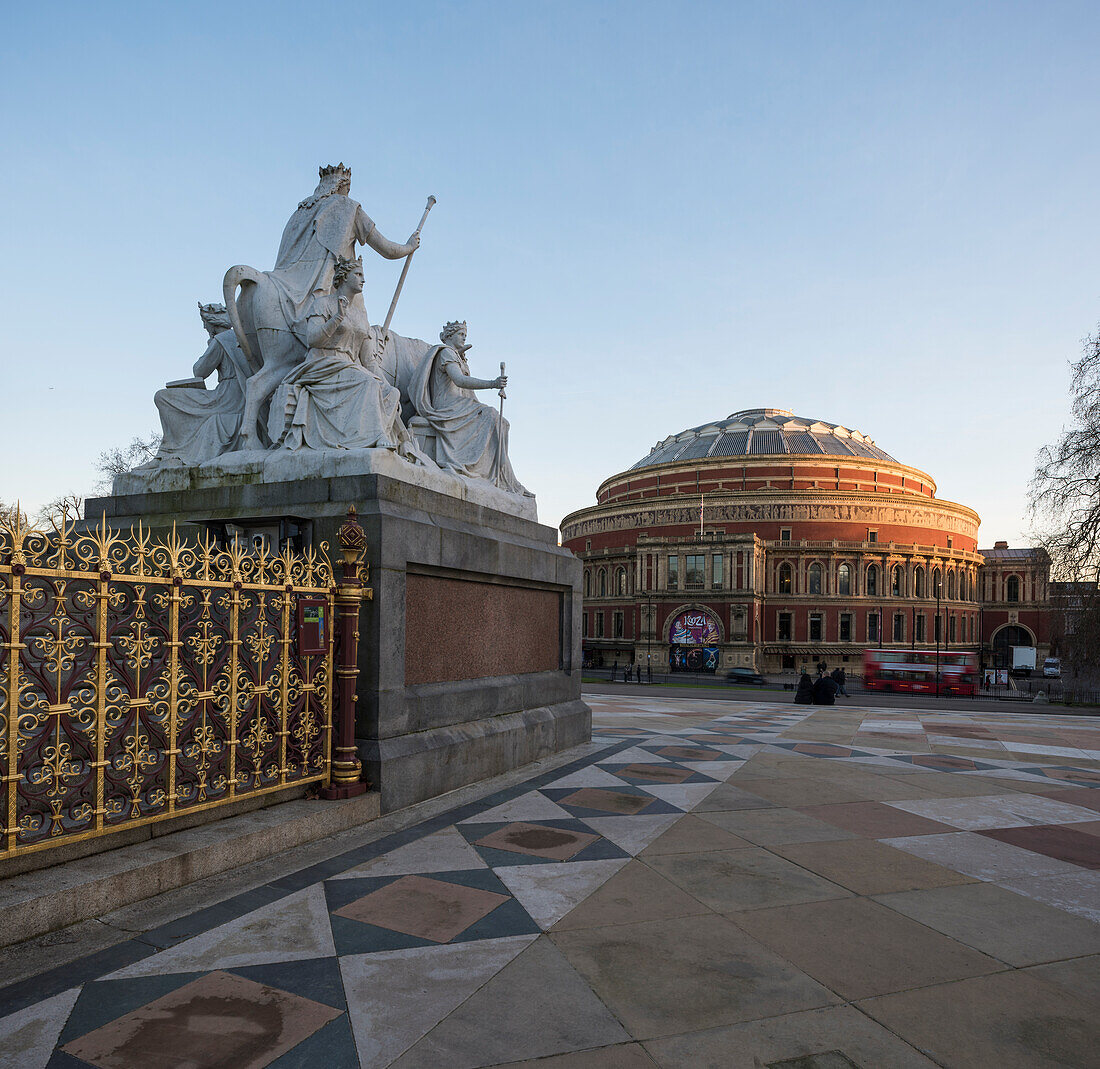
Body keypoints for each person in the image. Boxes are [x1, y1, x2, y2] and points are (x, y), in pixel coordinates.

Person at [268, 257, 421, 456]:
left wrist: (385, 383)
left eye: (363, 276)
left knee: (391, 392)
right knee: (368, 384)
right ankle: (375, 437)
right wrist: (337, 318)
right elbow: (313, 340)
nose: (363, 280)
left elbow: (368, 361)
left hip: (349, 366)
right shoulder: (323, 304)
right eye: (358, 275)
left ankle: (366, 436)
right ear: (344, 277)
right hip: (322, 363)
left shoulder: (361, 316)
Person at [407, 321, 532, 494]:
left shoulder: (454, 355)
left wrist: (462, 359)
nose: (464, 337)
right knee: (493, 416)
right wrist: (492, 384)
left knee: (502, 423)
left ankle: (505, 477)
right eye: (460, 334)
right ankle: (501, 478)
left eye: (465, 335)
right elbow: (460, 381)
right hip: (447, 406)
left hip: (458, 404)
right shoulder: (446, 353)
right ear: (449, 336)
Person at [152, 303, 251, 464]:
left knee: (163, 397)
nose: (205, 328)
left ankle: (172, 449)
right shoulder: (239, 336)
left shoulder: (221, 340)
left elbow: (200, 371)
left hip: (226, 398)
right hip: (239, 396)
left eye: (205, 325)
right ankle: (171, 450)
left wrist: (211, 344)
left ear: (212, 324)